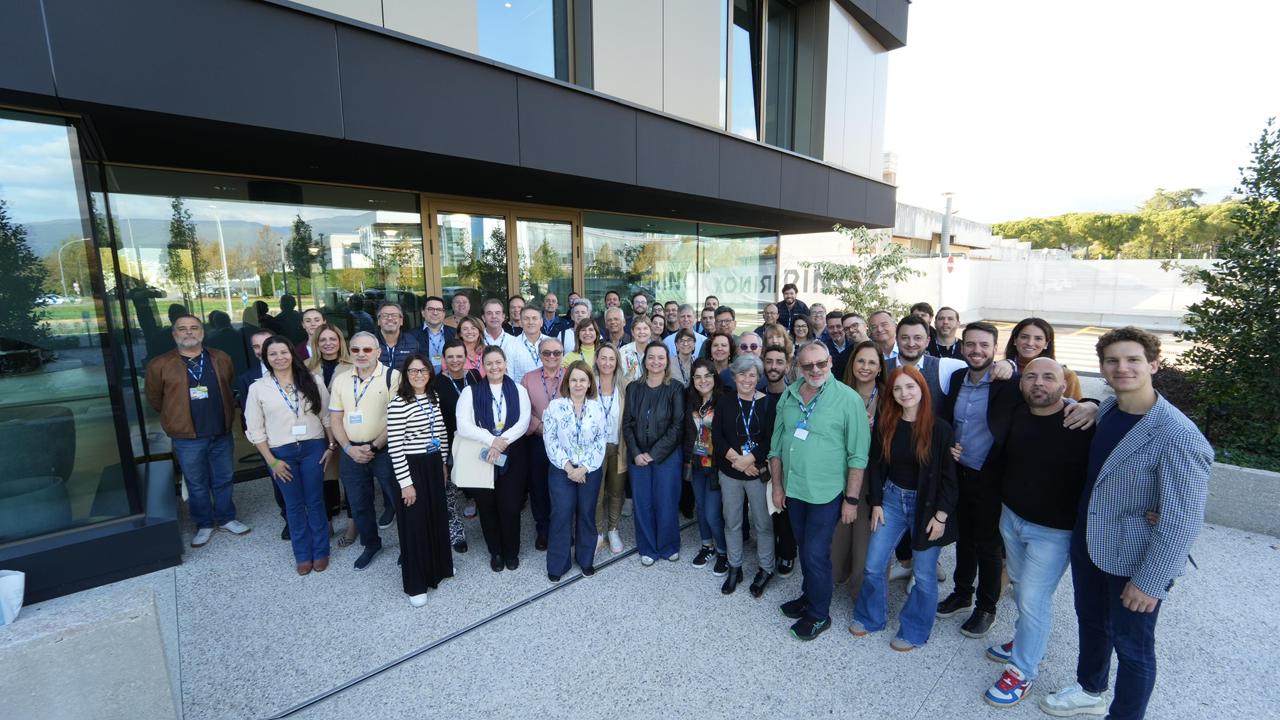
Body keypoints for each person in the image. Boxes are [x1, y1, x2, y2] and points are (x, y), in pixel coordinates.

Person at [1040, 327, 1212, 720]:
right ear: (1102, 368)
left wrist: (1151, 581)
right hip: (1090, 543)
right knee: (1092, 622)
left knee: (1133, 647)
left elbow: (1184, 520)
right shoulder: (1109, 410)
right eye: (1112, 361)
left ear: (1153, 364)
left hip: (1135, 559)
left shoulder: (1177, 434)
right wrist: (1090, 405)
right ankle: (1090, 690)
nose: (1123, 368)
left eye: (1133, 360)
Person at [980, 357, 1094, 707]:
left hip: (1054, 532)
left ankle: (1022, 671)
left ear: (1064, 384)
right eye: (1031, 377)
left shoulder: (1081, 422)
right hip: (1012, 518)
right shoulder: (1018, 413)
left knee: (1032, 598)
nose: (1038, 383)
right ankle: (1027, 640)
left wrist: (1094, 404)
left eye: (1048, 377)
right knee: (1018, 584)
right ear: (1021, 383)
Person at [849, 365, 958, 651]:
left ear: (922, 388)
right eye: (897, 388)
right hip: (891, 501)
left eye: (910, 386)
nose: (904, 393)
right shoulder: (887, 424)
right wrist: (876, 503)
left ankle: (914, 630)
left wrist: (941, 517)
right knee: (873, 565)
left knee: (924, 575)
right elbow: (877, 466)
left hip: (927, 507)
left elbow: (950, 478)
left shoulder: (940, 429)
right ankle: (871, 618)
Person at [769, 343, 870, 640]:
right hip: (794, 489)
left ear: (830, 363)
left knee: (815, 552)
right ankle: (809, 595)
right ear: (797, 367)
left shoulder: (848, 399)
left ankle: (818, 615)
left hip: (827, 493)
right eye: (808, 365)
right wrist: (777, 486)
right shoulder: (788, 395)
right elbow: (775, 446)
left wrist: (851, 499)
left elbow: (858, 456)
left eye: (821, 363)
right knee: (804, 548)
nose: (815, 370)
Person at [145, 314, 251, 547]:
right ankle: (204, 523)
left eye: (194, 328)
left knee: (224, 478)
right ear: (174, 334)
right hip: (187, 437)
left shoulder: (220, 358)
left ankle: (226, 518)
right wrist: (174, 417)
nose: (189, 332)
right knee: (196, 483)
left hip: (220, 431)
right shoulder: (160, 364)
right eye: (182, 329)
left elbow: (228, 384)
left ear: (202, 332)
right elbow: (155, 399)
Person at [245, 335, 332, 575]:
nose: (279, 357)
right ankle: (302, 555)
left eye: (283, 352)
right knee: (293, 505)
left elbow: (326, 416)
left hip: (313, 448)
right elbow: (255, 430)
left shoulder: (312, 380)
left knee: (315, 501)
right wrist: (271, 461)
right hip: (280, 454)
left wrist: (331, 446)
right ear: (266, 358)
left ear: (292, 354)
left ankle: (321, 551)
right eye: (272, 354)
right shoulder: (258, 388)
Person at [328, 331, 401, 570]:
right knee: (359, 504)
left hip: (384, 450)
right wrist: (348, 449)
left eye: (367, 349)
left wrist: (374, 445)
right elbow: (335, 419)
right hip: (351, 452)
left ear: (378, 352)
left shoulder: (392, 377)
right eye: (356, 349)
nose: (361, 354)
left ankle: (408, 545)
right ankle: (371, 544)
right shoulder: (341, 380)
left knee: (398, 500)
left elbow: (397, 418)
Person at [386, 354, 455, 606]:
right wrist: (406, 484)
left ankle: (440, 567)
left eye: (423, 370)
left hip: (433, 464)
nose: (418, 375)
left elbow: (442, 433)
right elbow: (395, 447)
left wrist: (443, 462)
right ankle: (416, 583)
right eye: (413, 371)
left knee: (436, 516)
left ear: (429, 373)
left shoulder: (433, 397)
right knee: (414, 524)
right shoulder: (398, 404)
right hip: (411, 466)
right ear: (406, 374)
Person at [456, 346, 532, 571]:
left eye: (498, 362)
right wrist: (492, 440)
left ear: (505, 364)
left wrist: (502, 442)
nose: (494, 367)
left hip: (512, 456)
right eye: (489, 363)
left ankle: (511, 551)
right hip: (482, 455)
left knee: (511, 506)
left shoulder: (519, 390)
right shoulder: (470, 392)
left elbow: (524, 422)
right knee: (487, 507)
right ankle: (496, 552)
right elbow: (463, 425)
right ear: (483, 366)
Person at [714, 354, 778, 596]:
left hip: (757, 473)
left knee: (763, 524)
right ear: (734, 376)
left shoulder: (768, 404)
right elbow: (717, 437)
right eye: (742, 374)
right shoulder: (725, 402)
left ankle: (766, 568)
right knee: (732, 522)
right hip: (730, 473)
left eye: (752, 375)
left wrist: (749, 460)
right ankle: (735, 567)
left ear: (759, 378)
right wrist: (738, 462)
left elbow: (770, 439)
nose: (747, 380)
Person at [542, 360, 608, 582]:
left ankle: (585, 559)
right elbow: (550, 439)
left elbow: (601, 441)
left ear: (589, 383)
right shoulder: (555, 407)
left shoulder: (597, 408)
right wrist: (569, 467)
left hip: (590, 470)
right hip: (562, 469)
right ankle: (558, 564)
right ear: (567, 383)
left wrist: (584, 468)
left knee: (587, 513)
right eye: (574, 380)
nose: (578, 384)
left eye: (582, 380)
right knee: (561, 514)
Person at [831, 341, 886, 601]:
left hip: (871, 477)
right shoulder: (837, 393)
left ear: (880, 368)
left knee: (864, 535)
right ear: (852, 363)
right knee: (838, 532)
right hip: (838, 472)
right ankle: (834, 576)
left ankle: (861, 593)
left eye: (872, 362)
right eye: (861, 360)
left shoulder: (888, 397)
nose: (865, 367)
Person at [622, 343, 685, 566]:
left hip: (667, 455)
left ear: (667, 361)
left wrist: (654, 454)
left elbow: (677, 426)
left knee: (666, 501)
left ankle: (668, 545)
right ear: (644, 360)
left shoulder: (675, 388)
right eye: (651, 357)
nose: (656, 362)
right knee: (643, 502)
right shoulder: (633, 388)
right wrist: (637, 453)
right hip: (638, 455)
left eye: (660, 357)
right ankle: (647, 547)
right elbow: (627, 424)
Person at [236, 328, 294, 539]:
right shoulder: (248, 379)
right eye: (256, 346)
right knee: (279, 480)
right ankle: (289, 519)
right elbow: (248, 414)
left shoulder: (297, 371)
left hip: (300, 437)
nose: (262, 350)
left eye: (266, 343)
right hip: (270, 441)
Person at [306, 323, 356, 545]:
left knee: (350, 478)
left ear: (340, 341)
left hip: (346, 429)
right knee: (324, 479)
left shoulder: (352, 364)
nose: (328, 343)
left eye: (333, 339)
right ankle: (327, 521)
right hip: (318, 431)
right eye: (323, 339)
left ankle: (353, 524)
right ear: (316, 343)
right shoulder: (305, 367)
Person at [521, 337, 566, 551]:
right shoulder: (528, 379)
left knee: (563, 488)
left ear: (562, 354)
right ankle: (543, 530)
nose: (552, 356)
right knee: (538, 487)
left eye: (557, 352)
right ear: (540, 354)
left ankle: (562, 529)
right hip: (537, 440)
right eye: (547, 352)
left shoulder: (571, 376)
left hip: (565, 442)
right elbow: (522, 410)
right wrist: (539, 426)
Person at [684, 359, 727, 577]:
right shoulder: (690, 401)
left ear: (714, 377)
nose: (703, 381)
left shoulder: (724, 401)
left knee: (712, 513)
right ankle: (707, 545)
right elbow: (685, 433)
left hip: (716, 466)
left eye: (707, 376)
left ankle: (723, 552)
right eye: (698, 377)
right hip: (697, 465)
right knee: (700, 508)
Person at [432, 338, 478, 534]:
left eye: (459, 356)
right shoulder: (436, 382)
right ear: (444, 358)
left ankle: (475, 497)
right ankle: (465, 500)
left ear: (466, 357)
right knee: (455, 469)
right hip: (451, 435)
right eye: (450, 357)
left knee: (476, 467)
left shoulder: (475, 376)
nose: (455, 360)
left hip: (475, 433)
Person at [593, 344, 628, 555]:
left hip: (618, 446)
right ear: (596, 360)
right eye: (603, 358)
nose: (607, 363)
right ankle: (598, 532)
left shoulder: (625, 386)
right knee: (596, 493)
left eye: (611, 359)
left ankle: (613, 530)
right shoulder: (589, 384)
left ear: (617, 362)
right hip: (595, 450)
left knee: (616, 491)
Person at [1005, 317, 1083, 399]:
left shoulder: (1066, 375)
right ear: (1015, 340)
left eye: (1038, 338)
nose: (1030, 343)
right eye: (1024, 337)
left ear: (1046, 344)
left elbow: (1077, 405)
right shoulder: (1002, 370)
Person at [508, 306, 551, 382]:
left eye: (534, 318)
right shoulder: (511, 345)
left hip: (549, 389)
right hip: (521, 389)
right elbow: (509, 377)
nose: (530, 322)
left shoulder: (551, 343)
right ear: (521, 322)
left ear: (541, 322)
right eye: (526, 318)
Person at [375, 302, 420, 371]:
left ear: (401, 321)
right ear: (378, 321)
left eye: (394, 315)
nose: (390, 318)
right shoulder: (369, 343)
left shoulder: (413, 343)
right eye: (385, 316)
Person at [415, 295, 456, 370]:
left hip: (448, 375)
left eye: (439, 309)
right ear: (423, 313)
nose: (435, 313)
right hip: (423, 376)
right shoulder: (412, 335)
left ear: (444, 314)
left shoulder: (454, 333)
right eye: (431, 309)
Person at [480, 299, 518, 364]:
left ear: (503, 317)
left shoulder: (513, 341)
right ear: (483, 318)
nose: (494, 316)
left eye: (497, 313)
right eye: (489, 313)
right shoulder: (477, 340)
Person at [619, 316, 654, 382]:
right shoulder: (623, 351)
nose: (642, 332)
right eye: (638, 329)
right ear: (632, 332)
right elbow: (619, 376)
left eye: (645, 328)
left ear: (651, 331)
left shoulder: (656, 350)